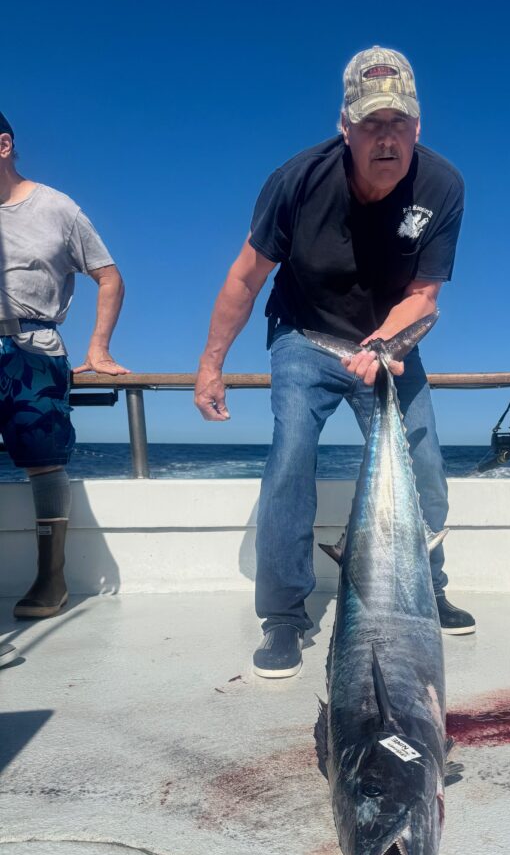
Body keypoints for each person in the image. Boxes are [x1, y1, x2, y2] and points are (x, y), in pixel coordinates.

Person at [194, 46, 475, 679]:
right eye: (371, 124)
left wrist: (382, 345)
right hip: (306, 334)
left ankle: (426, 588)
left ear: (418, 127)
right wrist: (211, 364)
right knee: (292, 452)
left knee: (425, 463)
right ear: (343, 128)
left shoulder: (443, 186)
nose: (385, 139)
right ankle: (284, 616)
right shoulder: (295, 181)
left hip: (392, 339)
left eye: (397, 124)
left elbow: (425, 295)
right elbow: (244, 278)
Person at [0, 111, 128, 618]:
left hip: (33, 349)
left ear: (3, 145)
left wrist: (98, 349)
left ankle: (50, 581)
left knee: (44, 462)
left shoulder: (56, 208)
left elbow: (110, 277)